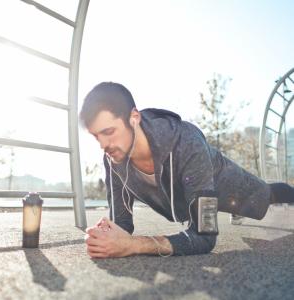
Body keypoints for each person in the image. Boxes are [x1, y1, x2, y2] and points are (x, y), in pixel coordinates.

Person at [80, 82, 294, 258]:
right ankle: (233, 210)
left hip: (228, 186)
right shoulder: (113, 159)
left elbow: (205, 237)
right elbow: (122, 225)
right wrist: (106, 236)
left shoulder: (187, 141)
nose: (103, 145)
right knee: (211, 206)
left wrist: (134, 245)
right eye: (97, 136)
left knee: (268, 194)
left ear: (134, 118)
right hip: (195, 197)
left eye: (109, 131)